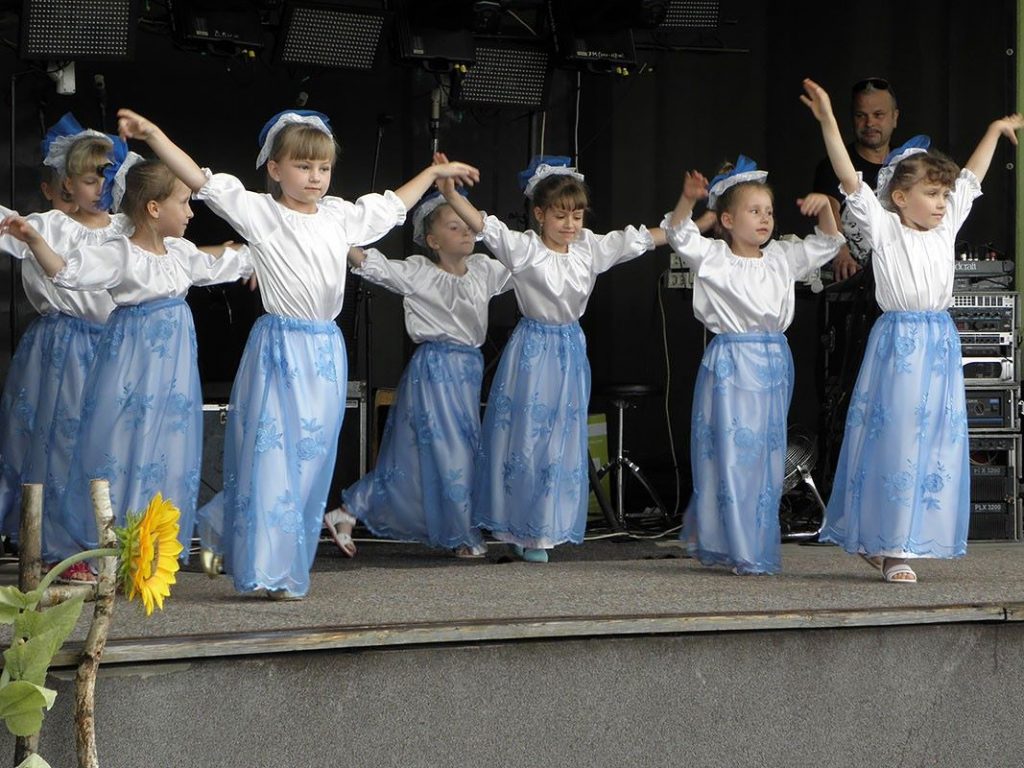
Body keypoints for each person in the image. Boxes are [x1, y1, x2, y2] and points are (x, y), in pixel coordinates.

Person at [116, 108, 479, 599]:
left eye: (323, 168)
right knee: (271, 457)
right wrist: (156, 134)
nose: (315, 178)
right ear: (275, 169)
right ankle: (264, 568)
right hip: (279, 346)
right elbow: (198, 179)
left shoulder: (339, 216)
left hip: (325, 352)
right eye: (304, 167)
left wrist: (434, 173)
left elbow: (393, 204)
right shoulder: (261, 213)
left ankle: (279, 559)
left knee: (309, 463)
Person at [802, 77, 1023, 583]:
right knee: (896, 438)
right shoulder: (884, 227)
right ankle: (892, 543)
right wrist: (830, 122)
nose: (943, 201)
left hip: (939, 342)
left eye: (944, 194)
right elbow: (851, 180)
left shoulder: (945, 227)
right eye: (931, 193)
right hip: (899, 342)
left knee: (934, 440)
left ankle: (902, 536)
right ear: (900, 197)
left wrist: (992, 130)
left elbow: (972, 175)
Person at [0, 158, 253, 569]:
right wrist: (33, 239)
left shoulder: (181, 253)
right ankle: (101, 546)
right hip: (130, 366)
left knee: (165, 450)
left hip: (171, 378)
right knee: (117, 446)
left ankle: (146, 548)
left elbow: (224, 264)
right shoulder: (120, 253)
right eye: (184, 203)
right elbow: (67, 273)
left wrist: (255, 257)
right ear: (154, 208)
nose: (191, 213)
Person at [441, 153, 667, 563]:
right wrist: (450, 194)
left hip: (569, 351)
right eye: (561, 215)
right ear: (539, 214)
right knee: (524, 440)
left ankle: (541, 532)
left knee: (559, 442)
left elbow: (640, 240)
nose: (570, 225)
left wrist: (689, 216)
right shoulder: (525, 249)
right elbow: (484, 225)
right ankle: (517, 526)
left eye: (577, 216)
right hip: (532, 350)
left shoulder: (587, 249)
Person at [663, 155, 843, 574]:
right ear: (726, 219)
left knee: (764, 455)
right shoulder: (715, 258)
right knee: (731, 452)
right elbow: (677, 232)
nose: (765, 219)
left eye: (769, 211)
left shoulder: (782, 256)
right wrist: (688, 201)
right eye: (754, 211)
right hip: (732, 361)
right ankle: (738, 546)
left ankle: (750, 539)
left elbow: (829, 245)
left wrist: (827, 212)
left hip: (773, 362)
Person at [326, 189, 511, 558]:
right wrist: (332, 233)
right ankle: (462, 533)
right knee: (451, 451)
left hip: (467, 371)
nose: (465, 233)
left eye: (467, 225)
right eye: (453, 226)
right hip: (435, 372)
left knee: (422, 456)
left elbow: (524, 260)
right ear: (432, 240)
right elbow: (371, 264)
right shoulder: (420, 272)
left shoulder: (485, 271)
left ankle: (348, 511)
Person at [0, 114, 131, 578]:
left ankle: (104, 541)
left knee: (109, 445)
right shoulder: (50, 225)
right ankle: (59, 546)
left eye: (106, 175)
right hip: (66, 344)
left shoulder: (124, 229)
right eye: (89, 176)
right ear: (67, 182)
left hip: (114, 346)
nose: (99, 185)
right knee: (61, 442)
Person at [812, 77, 899, 280]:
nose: (870, 123)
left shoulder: (909, 164)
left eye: (878, 115)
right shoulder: (831, 165)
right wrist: (840, 252)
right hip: (853, 278)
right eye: (861, 115)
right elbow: (829, 208)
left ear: (895, 118)